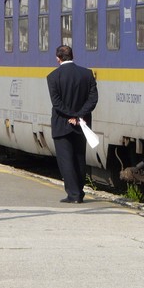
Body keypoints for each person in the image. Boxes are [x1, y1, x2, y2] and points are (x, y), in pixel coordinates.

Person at [46, 45, 98, 204]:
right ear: (72, 56)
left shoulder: (53, 77)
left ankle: (73, 195)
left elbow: (57, 103)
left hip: (62, 124)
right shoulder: (86, 74)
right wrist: (79, 115)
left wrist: (71, 115)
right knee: (79, 158)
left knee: (66, 160)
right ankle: (79, 192)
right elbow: (93, 99)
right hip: (82, 124)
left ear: (58, 58)